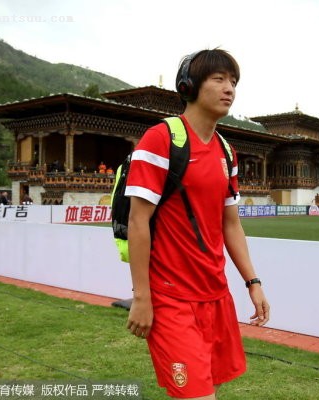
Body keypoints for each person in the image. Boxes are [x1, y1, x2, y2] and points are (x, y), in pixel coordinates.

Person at [125, 49, 270, 399]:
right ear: (188, 86)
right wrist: (142, 297)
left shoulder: (226, 151)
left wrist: (253, 282)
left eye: (233, 82)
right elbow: (137, 220)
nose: (229, 89)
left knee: (209, 389)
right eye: (218, 79)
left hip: (216, 295)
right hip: (171, 298)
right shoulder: (162, 138)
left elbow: (231, 224)